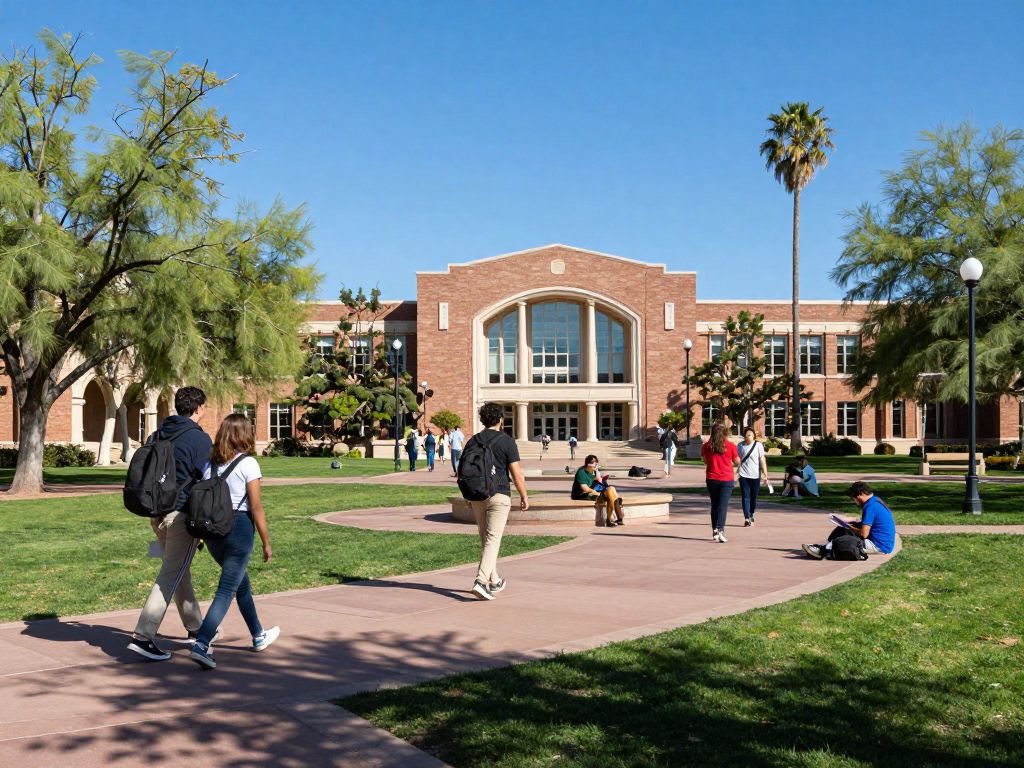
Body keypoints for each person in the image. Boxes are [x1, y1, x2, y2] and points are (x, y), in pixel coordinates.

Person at [128, 386, 213, 661]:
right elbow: (209, 478)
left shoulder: (160, 431)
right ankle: (144, 635)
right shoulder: (198, 439)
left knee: (178, 571)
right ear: (198, 408)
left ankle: (195, 627)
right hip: (181, 515)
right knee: (170, 574)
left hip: (157, 513)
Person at [190, 413, 279, 669]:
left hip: (214, 531)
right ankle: (202, 643)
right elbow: (257, 507)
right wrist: (266, 541)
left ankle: (258, 635)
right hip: (238, 528)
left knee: (240, 585)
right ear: (244, 434)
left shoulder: (210, 465)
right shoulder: (248, 464)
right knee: (226, 589)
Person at [461, 402, 529, 600]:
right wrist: (524, 495)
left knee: (486, 539)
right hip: (499, 494)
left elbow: (463, 470)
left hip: (477, 495)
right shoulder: (506, 441)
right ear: (501, 420)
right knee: (493, 539)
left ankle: (495, 580)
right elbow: (517, 474)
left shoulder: (473, 440)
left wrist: (467, 495)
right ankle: (481, 581)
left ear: (483, 420)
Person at [802, 481, 897, 559]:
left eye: (854, 498)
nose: (855, 502)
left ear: (861, 494)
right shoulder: (876, 500)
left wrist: (850, 528)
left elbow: (864, 534)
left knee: (847, 534)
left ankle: (822, 551)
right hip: (883, 542)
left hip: (879, 545)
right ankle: (826, 547)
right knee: (846, 528)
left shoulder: (870, 507)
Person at [701, 422, 740, 543]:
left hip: (712, 478)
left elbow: (705, 461)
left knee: (715, 505)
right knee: (723, 506)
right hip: (726, 479)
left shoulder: (707, 446)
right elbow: (737, 461)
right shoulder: (730, 446)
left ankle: (715, 530)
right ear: (725, 432)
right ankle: (720, 529)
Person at [572, 454, 624, 526]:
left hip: (591, 491)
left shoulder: (594, 471)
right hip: (581, 494)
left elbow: (598, 480)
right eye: (595, 465)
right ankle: (609, 520)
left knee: (611, 489)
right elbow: (585, 488)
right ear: (588, 464)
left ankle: (618, 518)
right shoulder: (581, 472)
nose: (596, 467)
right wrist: (596, 493)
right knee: (608, 496)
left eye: (596, 465)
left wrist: (601, 479)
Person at [737, 426, 769, 526]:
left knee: (753, 497)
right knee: (745, 497)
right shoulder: (740, 446)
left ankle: (751, 514)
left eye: (750, 434)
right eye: (746, 435)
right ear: (744, 437)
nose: (749, 436)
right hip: (743, 475)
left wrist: (765, 473)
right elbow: (737, 460)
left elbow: (762, 459)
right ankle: (746, 518)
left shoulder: (758, 445)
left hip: (755, 475)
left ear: (754, 436)